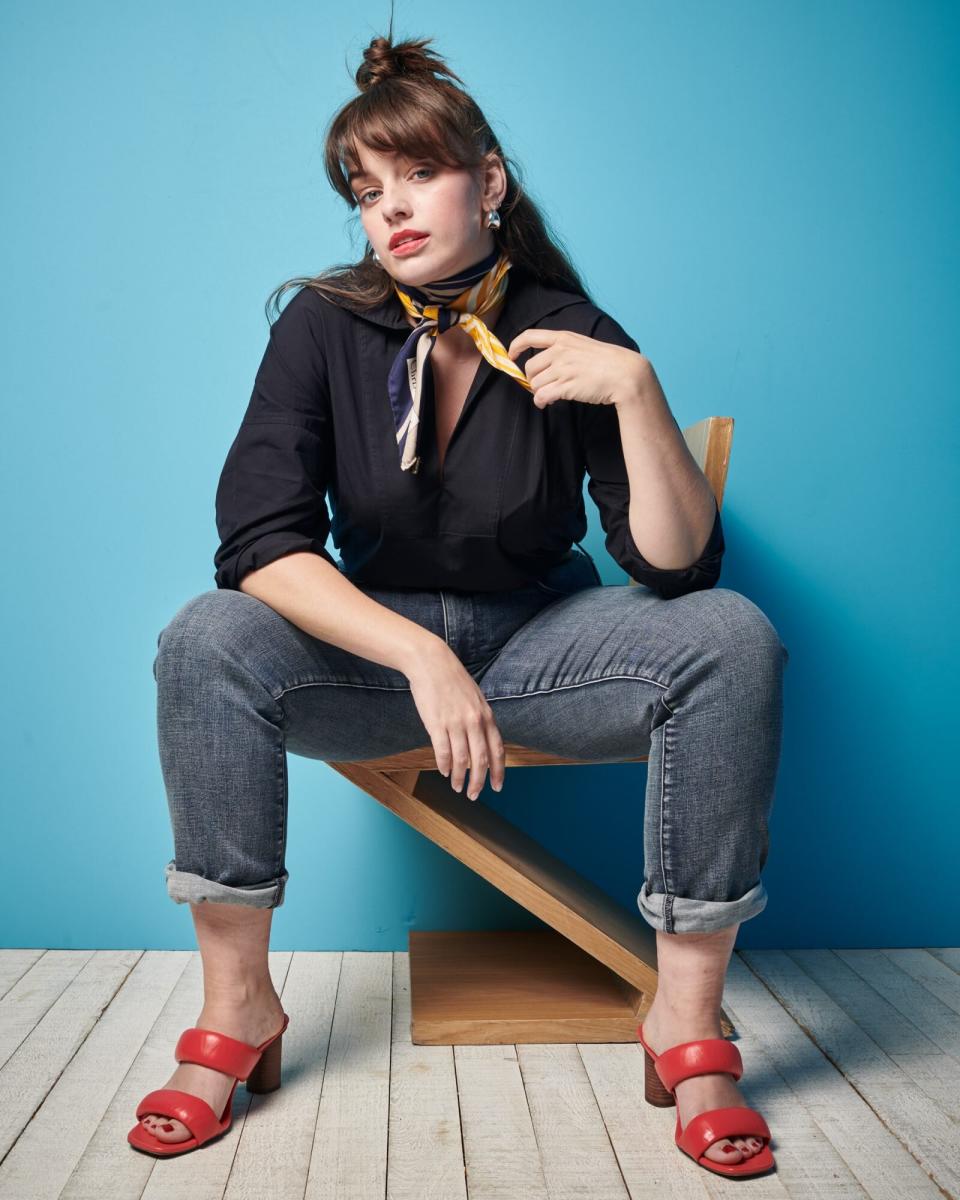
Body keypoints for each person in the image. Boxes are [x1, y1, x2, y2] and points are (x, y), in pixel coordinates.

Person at [130, 28, 788, 1181]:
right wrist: (420, 658)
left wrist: (638, 392)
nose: (390, 210)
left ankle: (686, 1021)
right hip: (378, 662)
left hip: (545, 649)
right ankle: (239, 1010)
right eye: (366, 191)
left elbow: (678, 571)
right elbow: (260, 544)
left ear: (488, 181)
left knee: (734, 638)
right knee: (203, 638)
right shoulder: (322, 326)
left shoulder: (574, 325)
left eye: (418, 176)